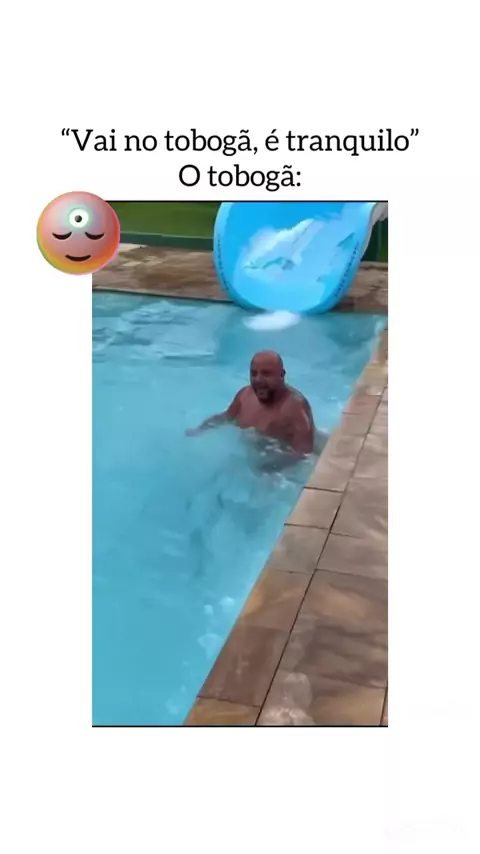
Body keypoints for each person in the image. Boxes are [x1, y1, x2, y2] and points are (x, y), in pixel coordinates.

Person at [186, 351, 315, 455]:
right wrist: (200, 430)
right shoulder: (245, 395)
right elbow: (226, 417)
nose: (258, 380)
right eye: (254, 374)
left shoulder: (296, 408)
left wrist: (270, 467)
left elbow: (303, 454)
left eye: (266, 374)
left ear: (281, 375)